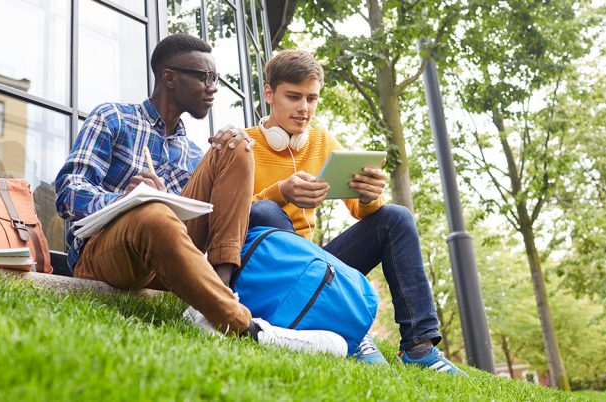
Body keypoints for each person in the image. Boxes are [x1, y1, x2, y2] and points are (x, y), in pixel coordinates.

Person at [54, 34, 346, 356]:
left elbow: (204, 219)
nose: (214, 88)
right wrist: (129, 198)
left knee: (236, 144)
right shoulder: (113, 118)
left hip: (166, 256)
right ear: (170, 78)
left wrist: (168, 203)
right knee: (154, 214)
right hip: (105, 254)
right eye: (205, 78)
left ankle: (220, 286)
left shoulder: (193, 153)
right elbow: (69, 194)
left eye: (216, 79)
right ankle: (247, 327)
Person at [246, 49, 466, 375]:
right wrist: (281, 193)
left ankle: (419, 347)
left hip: (314, 262)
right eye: (293, 97)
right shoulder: (246, 144)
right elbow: (229, 217)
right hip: (268, 267)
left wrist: (369, 196)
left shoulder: (322, 141)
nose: (304, 108)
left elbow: (362, 211)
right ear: (269, 94)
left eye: (312, 98)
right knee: (265, 210)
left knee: (396, 218)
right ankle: (353, 329)